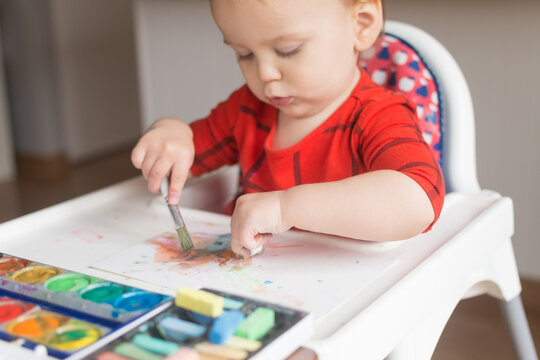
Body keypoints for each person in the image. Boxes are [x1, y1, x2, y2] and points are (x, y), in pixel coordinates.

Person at [131, 0, 444, 259]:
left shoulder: (378, 115)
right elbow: (184, 157)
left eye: (287, 50)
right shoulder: (247, 109)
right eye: (245, 54)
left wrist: (286, 208)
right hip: (251, 282)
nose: (265, 73)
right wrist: (170, 133)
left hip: (341, 286)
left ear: (361, 25)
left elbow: (418, 200)